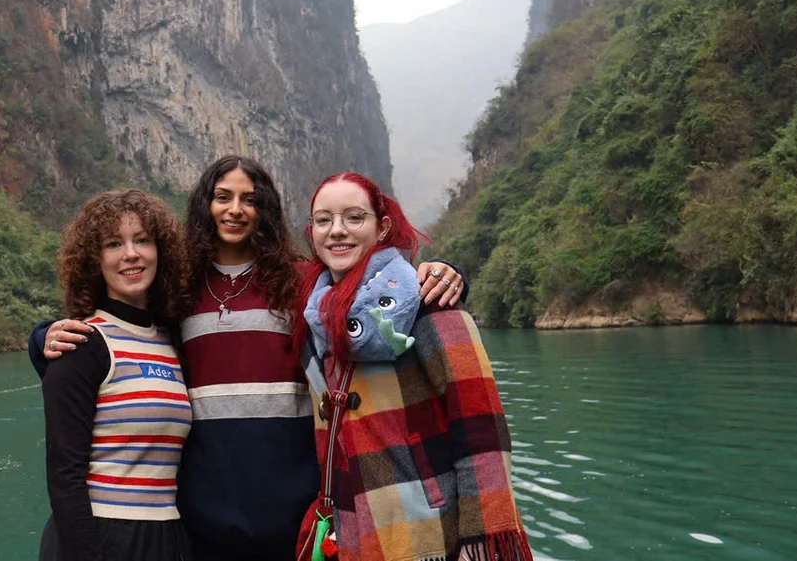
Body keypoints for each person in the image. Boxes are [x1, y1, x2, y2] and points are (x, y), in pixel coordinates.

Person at [31, 156, 469, 560]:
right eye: (223, 197)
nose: (235, 209)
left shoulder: (304, 284)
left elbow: (373, 290)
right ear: (206, 205)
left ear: (266, 211)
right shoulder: (180, 291)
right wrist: (41, 338)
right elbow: (125, 333)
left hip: (293, 513)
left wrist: (444, 272)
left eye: (249, 199)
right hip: (200, 520)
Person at [297, 172, 532, 561]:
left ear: (382, 226)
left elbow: (480, 422)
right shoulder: (314, 318)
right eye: (324, 220)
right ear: (312, 231)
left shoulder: (426, 301)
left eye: (354, 218)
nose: (337, 231)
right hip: (351, 530)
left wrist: (480, 538)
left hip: (430, 533)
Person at [39, 189, 192, 561]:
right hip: (102, 536)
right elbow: (65, 478)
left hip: (168, 536)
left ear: (161, 252)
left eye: (142, 240)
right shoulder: (82, 343)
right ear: (95, 260)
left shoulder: (170, 340)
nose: (131, 254)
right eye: (113, 244)